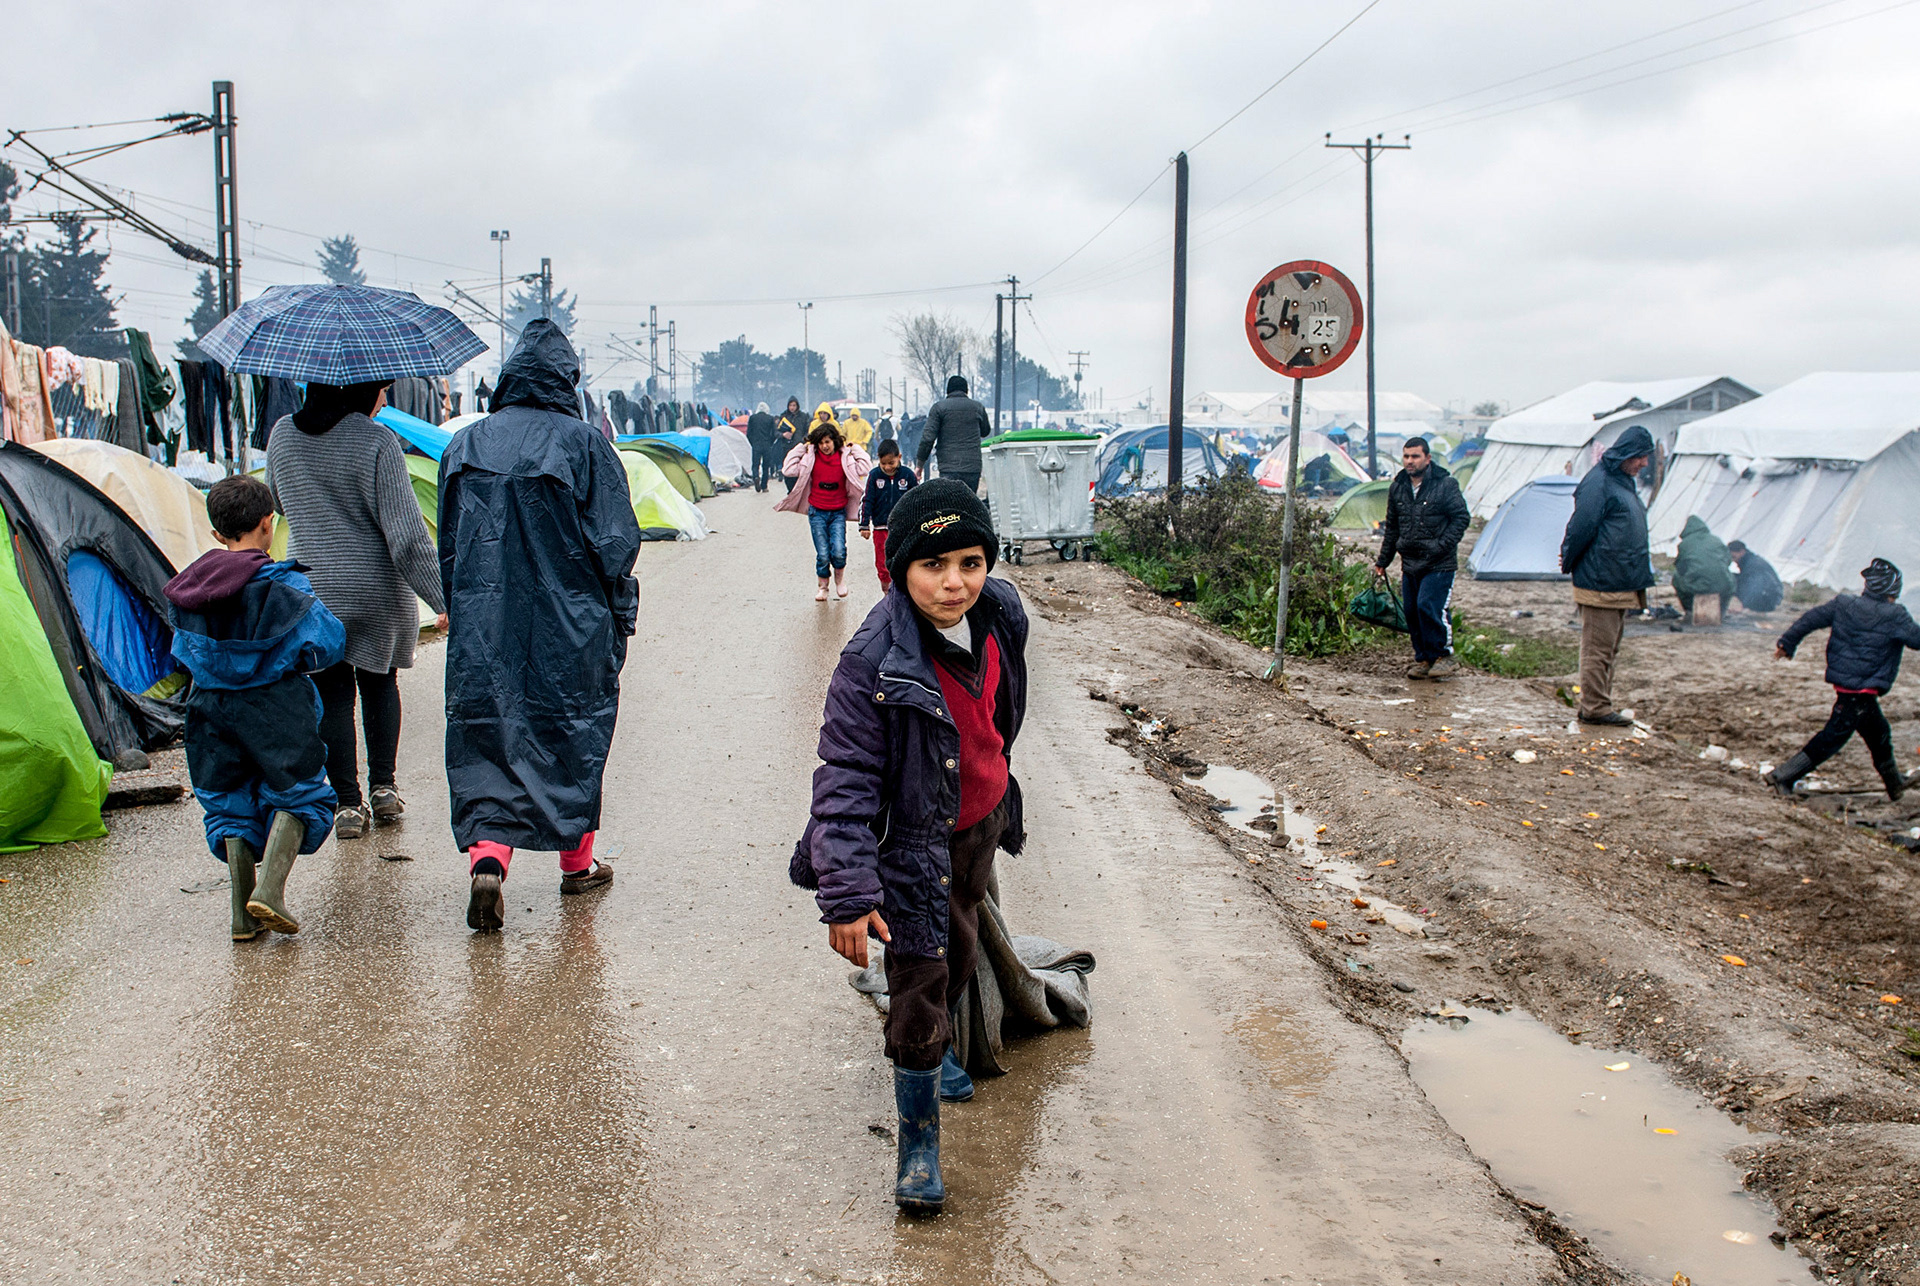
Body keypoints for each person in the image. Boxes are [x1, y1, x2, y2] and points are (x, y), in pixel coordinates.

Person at [789, 479, 1029, 1215]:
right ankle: (918, 1145)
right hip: (913, 846)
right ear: (899, 569)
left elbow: (1000, 710)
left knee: (960, 946)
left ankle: (949, 1037)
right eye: (934, 566)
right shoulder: (873, 661)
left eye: (970, 560)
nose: (954, 582)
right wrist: (851, 896)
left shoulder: (1000, 613)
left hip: (979, 822)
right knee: (920, 982)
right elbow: (846, 781)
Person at [438, 320, 641, 932]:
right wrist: (621, 612)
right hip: (570, 621)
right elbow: (616, 543)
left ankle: (489, 863)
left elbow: (450, 543)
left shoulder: (464, 445)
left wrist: (462, 604)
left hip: (483, 621)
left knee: (486, 733)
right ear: (566, 380)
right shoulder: (584, 445)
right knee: (570, 732)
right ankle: (576, 864)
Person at [265, 380, 448, 840]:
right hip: (375, 591)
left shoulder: (282, 435)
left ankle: (348, 805)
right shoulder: (377, 441)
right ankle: (384, 787)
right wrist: (444, 599)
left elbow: (278, 503)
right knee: (380, 682)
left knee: (332, 695)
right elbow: (407, 537)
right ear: (358, 389)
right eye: (382, 391)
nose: (385, 401)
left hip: (316, 591)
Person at [164, 476, 345, 939]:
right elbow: (326, 642)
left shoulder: (190, 589)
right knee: (301, 792)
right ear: (269, 525)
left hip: (209, 708)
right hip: (276, 706)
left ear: (217, 534)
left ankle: (241, 918)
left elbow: (179, 652)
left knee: (229, 802)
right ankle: (270, 890)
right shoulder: (282, 585)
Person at [1765, 559, 1920, 800]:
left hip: (1848, 686)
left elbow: (1810, 619)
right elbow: (1916, 640)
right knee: (1832, 738)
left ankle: (1895, 785)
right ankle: (1783, 776)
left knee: (1879, 733)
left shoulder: (1844, 604)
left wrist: (1787, 642)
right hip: (1862, 689)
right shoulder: (1895, 615)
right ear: (1891, 591)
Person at [1559, 425, 1656, 726]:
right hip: (1602, 580)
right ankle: (1595, 707)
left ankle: (1600, 702)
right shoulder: (1599, 482)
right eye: (1640, 457)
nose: (1644, 464)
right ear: (1626, 453)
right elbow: (1581, 527)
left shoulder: (1622, 481)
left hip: (1620, 579)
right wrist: (1569, 560)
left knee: (1609, 648)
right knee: (1598, 649)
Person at [1373, 436, 1469, 680]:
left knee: (1429, 606)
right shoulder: (1398, 487)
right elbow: (1392, 526)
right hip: (1411, 561)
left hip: (1439, 562)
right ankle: (1424, 658)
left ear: (1427, 458)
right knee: (1412, 611)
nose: (1410, 461)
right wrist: (1383, 561)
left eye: (1415, 456)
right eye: (1406, 456)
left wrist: (1442, 545)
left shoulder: (1445, 485)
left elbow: (1461, 518)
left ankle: (1444, 656)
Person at [775, 411, 872, 601]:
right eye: (820, 443)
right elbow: (787, 469)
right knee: (823, 553)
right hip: (817, 511)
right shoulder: (811, 458)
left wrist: (855, 449)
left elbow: (865, 467)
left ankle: (840, 581)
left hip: (837, 512)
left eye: (828, 442)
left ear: (835, 441)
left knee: (838, 550)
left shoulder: (845, 458)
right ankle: (823, 587)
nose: (825, 446)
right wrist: (802, 449)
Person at [860, 439, 919, 591]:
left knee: (905, 560)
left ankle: (904, 591)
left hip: (903, 529)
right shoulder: (874, 476)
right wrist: (864, 524)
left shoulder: (908, 475)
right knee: (883, 563)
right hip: (881, 528)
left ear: (899, 457)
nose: (887, 467)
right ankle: (887, 593)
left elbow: (917, 500)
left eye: (891, 463)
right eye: (883, 463)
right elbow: (867, 500)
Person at [915, 376, 991, 494]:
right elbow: (985, 431)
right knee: (969, 505)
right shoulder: (978, 407)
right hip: (972, 467)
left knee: (950, 505)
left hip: (948, 468)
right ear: (966, 390)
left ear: (948, 390)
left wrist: (920, 465)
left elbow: (927, 439)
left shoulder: (938, 408)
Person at [1673, 515, 1735, 621]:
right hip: (1722, 585)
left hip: (1698, 585)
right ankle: (1722, 611)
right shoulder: (1716, 540)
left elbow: (1680, 566)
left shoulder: (1684, 544)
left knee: (1677, 579)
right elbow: (1728, 561)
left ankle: (1689, 609)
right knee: (1730, 580)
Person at [1729, 540, 1784, 613]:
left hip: (1768, 598)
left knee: (1731, 579)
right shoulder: (1750, 560)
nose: (1733, 560)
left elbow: (1756, 587)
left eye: (1734, 557)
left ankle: (1754, 608)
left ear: (1742, 552)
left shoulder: (1753, 565)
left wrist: (1746, 607)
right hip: (1769, 594)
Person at [774, 396, 809, 493]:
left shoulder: (804, 417)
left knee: (799, 469)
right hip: (787, 447)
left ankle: (798, 490)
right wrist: (783, 435)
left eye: (794, 405)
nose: (792, 407)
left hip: (799, 447)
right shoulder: (784, 416)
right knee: (788, 469)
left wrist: (803, 441)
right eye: (790, 405)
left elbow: (807, 431)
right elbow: (776, 432)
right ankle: (790, 490)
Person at [745, 401, 780, 493]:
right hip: (767, 445)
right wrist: (770, 443)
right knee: (766, 466)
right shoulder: (770, 418)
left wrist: (753, 442)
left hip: (756, 444)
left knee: (755, 464)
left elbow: (748, 433)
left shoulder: (752, 418)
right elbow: (774, 433)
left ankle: (756, 476)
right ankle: (764, 486)